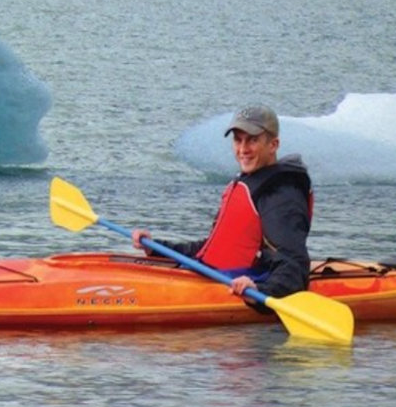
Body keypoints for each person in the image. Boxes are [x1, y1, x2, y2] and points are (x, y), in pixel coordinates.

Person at [131, 105, 313, 299]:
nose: (243, 149)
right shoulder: (249, 182)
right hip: (214, 275)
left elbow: (294, 266)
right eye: (238, 140)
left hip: (244, 285)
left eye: (252, 140)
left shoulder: (280, 193)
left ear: (273, 145)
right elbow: (209, 249)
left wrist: (259, 291)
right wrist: (156, 247)